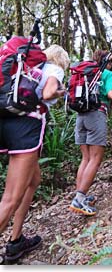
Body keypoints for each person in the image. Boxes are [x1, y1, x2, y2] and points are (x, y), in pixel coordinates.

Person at [0, 44, 70, 263]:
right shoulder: (54, 69)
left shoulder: (26, 68)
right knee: (10, 198)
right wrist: (61, 91)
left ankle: (16, 239)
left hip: (6, 121)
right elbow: (49, 92)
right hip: (26, 128)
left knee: (33, 179)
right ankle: (12, 242)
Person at [69, 50, 112, 216]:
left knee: (86, 158)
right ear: (109, 62)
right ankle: (79, 199)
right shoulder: (107, 74)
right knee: (95, 159)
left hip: (80, 116)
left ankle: (80, 194)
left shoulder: (84, 73)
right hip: (96, 115)